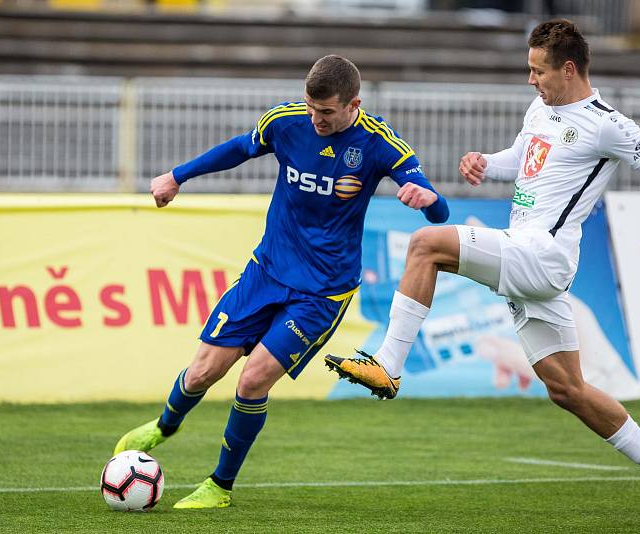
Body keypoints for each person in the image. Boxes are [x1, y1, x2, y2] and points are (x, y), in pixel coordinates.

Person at [325, 20, 640, 525]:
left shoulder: (607, 123)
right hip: (528, 259)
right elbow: (525, 159)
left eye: (538, 71)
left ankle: (388, 366)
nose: (531, 80)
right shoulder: (540, 108)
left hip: (542, 256)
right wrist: (488, 162)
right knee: (568, 390)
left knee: (425, 244)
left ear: (568, 70)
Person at [113, 54, 450, 510]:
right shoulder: (287, 121)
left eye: (327, 112)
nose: (317, 119)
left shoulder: (379, 144)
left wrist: (429, 200)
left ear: (354, 104)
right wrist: (177, 176)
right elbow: (239, 148)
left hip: (322, 292)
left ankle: (219, 486)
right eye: (312, 109)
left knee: (252, 381)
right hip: (266, 272)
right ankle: (165, 426)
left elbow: (439, 210)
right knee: (202, 371)